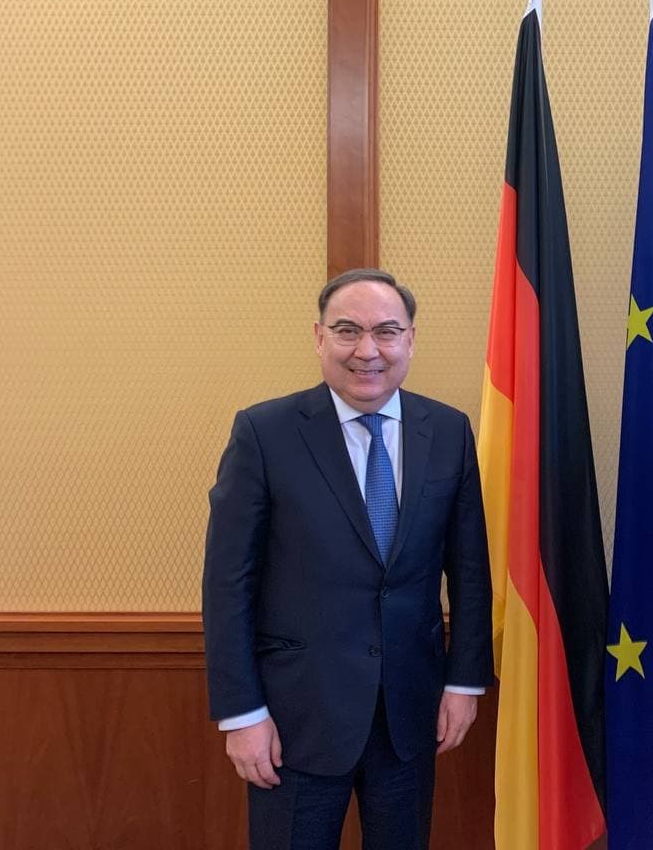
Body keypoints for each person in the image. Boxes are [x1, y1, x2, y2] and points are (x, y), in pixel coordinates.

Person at [202, 268, 493, 850]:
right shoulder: (264, 432)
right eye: (347, 331)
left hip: (409, 715)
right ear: (319, 337)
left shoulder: (449, 431)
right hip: (293, 721)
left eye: (386, 331)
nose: (367, 350)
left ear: (410, 339)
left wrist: (464, 682)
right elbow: (228, 583)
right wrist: (241, 714)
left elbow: (469, 571)